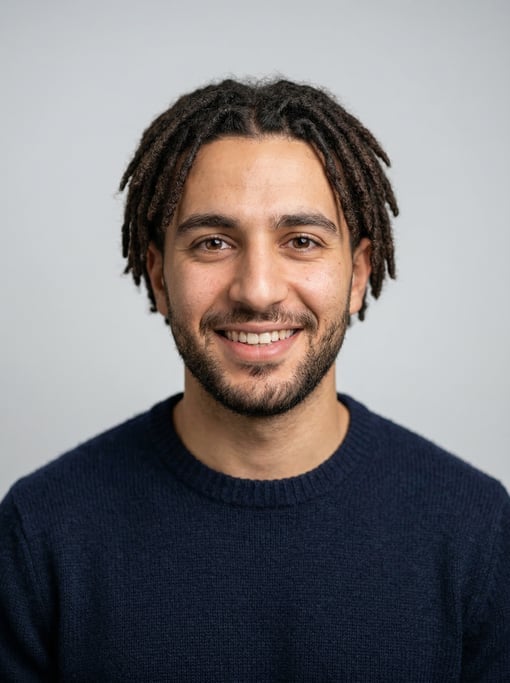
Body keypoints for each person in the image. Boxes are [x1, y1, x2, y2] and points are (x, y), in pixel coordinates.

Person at [1, 78, 509, 682]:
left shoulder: (476, 530)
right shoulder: (43, 531)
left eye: (301, 241)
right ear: (160, 278)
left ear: (357, 275)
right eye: (214, 242)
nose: (258, 289)